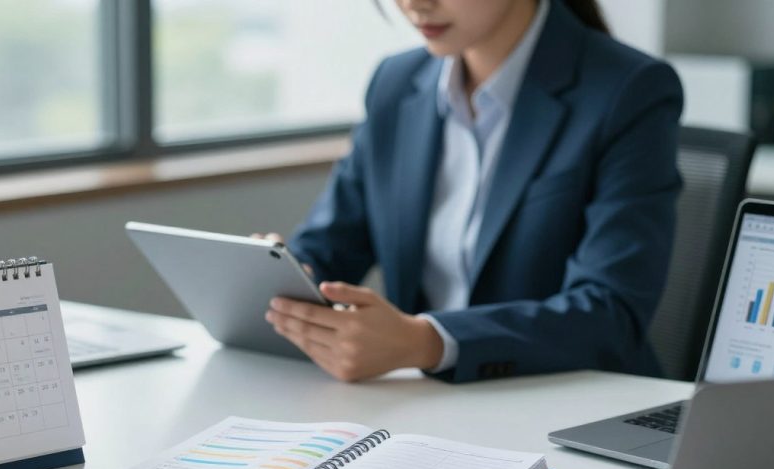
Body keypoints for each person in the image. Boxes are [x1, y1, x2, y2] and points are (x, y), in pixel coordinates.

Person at [260, 0, 684, 384]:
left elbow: (611, 312)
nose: (413, 5)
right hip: (424, 405)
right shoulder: (396, 81)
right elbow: (332, 245)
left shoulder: (629, 89)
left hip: (569, 403)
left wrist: (426, 342)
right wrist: (287, 273)